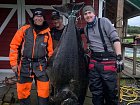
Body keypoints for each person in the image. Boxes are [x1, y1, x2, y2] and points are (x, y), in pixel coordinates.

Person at [9, 8, 53, 105]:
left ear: (44, 18)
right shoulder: (24, 30)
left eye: (41, 16)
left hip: (41, 64)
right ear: (33, 18)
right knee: (22, 91)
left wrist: (51, 67)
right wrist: (13, 64)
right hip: (25, 64)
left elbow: (50, 52)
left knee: (44, 90)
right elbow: (13, 46)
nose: (38, 18)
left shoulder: (47, 33)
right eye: (36, 16)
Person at [82, 5, 124, 105]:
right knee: (96, 93)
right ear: (83, 16)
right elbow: (91, 43)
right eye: (85, 14)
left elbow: (115, 39)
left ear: (94, 13)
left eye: (89, 13)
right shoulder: (85, 29)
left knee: (110, 92)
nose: (88, 15)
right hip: (94, 63)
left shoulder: (104, 21)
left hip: (108, 61)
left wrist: (119, 57)